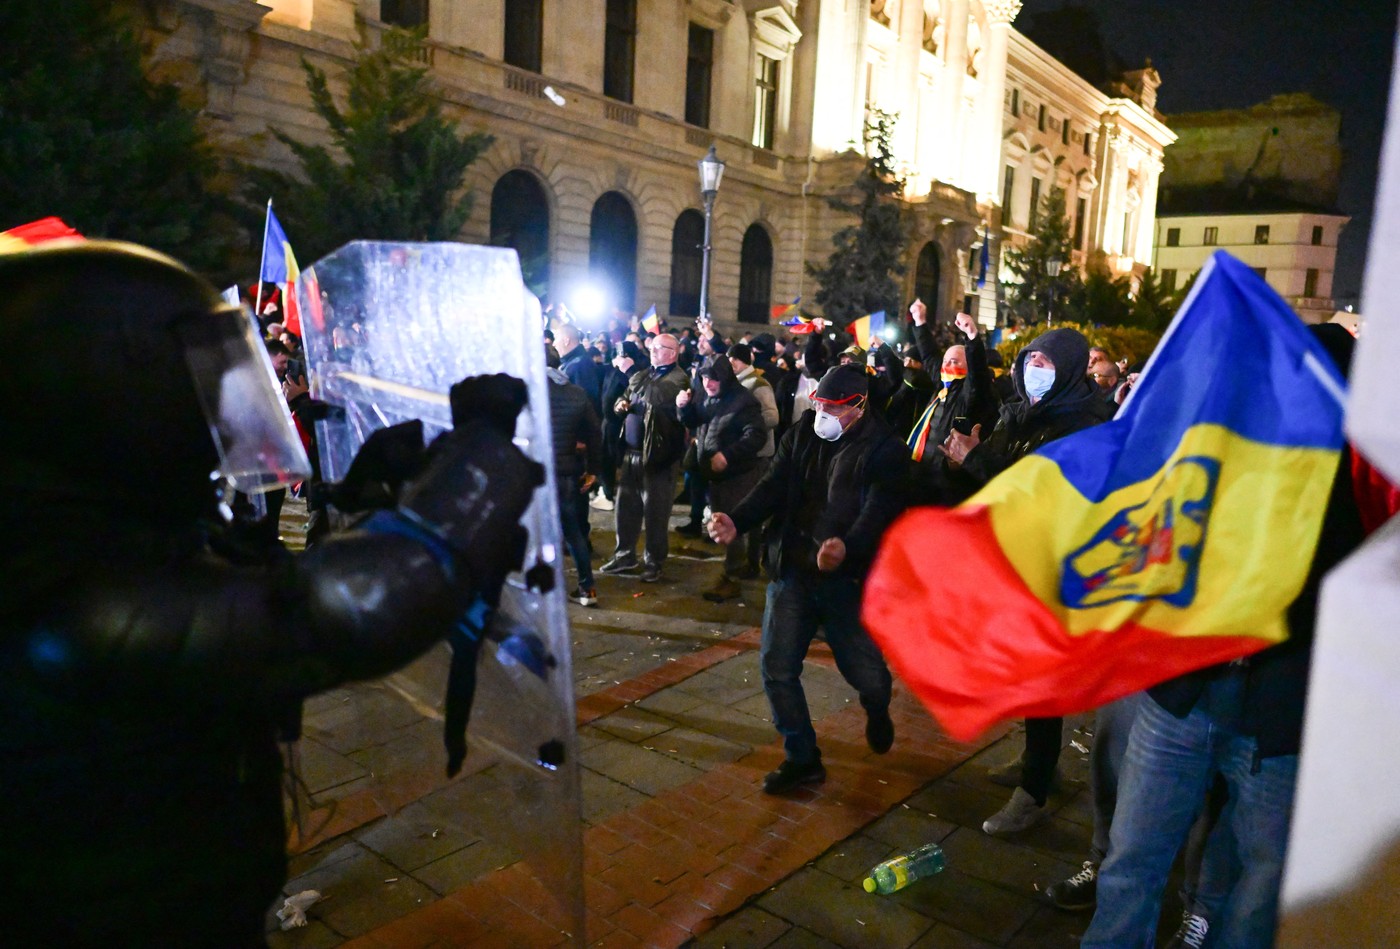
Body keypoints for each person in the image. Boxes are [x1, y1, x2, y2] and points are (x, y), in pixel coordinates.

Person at [0, 241, 543, 947]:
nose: (221, 405)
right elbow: (355, 609)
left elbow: (257, 579)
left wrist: (368, 493)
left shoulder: (80, 528)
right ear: (115, 392)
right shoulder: (72, 601)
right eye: (201, 379)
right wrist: (478, 457)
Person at [1082, 325, 1366, 949]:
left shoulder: (1353, 483)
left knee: (1259, 880)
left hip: (1276, 718)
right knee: (1134, 860)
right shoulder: (1220, 452)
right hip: (1182, 699)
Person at [939, 326, 1115, 835]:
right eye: (1029, 360)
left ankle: (1034, 791)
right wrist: (966, 458)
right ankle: (1041, 761)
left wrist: (975, 459)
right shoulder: (1022, 413)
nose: (1033, 370)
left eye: (1046, 363)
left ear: (1069, 369)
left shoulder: (1083, 424)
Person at [708, 365, 909, 794]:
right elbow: (773, 484)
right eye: (819, 403)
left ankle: (877, 706)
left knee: (865, 671)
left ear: (858, 406)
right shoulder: (803, 432)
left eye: (833, 407)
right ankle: (803, 757)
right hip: (794, 566)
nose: (823, 413)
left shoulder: (885, 449)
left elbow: (880, 512)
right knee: (777, 666)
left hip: (847, 581)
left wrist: (846, 548)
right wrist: (736, 520)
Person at [601, 333, 688, 583]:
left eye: (659, 348)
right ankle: (625, 555)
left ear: (673, 352)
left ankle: (654, 560)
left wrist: (629, 374)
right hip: (632, 453)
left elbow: (656, 396)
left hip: (659, 457)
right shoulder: (645, 373)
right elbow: (628, 394)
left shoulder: (678, 378)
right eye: (652, 347)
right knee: (625, 508)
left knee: (656, 512)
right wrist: (621, 404)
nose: (653, 350)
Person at [678, 356, 765, 602]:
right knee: (723, 522)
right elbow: (694, 420)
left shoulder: (743, 401)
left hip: (738, 474)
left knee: (731, 525)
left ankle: (733, 578)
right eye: (704, 377)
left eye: (713, 378)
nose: (708, 383)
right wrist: (683, 406)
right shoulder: (704, 396)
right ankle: (742, 568)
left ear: (725, 377)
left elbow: (756, 435)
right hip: (714, 474)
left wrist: (728, 455)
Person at [904, 302, 999, 506]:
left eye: (955, 362)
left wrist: (972, 338)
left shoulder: (970, 392)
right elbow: (930, 355)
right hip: (918, 472)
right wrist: (920, 322)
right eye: (946, 361)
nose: (948, 365)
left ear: (968, 366)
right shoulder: (942, 386)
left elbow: (978, 375)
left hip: (943, 484)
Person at [545, 346, 603, 606]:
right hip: (567, 473)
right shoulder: (577, 394)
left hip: (535, 474)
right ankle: (587, 588)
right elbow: (594, 434)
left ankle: (541, 591)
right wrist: (592, 471)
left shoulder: (526, 391)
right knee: (573, 532)